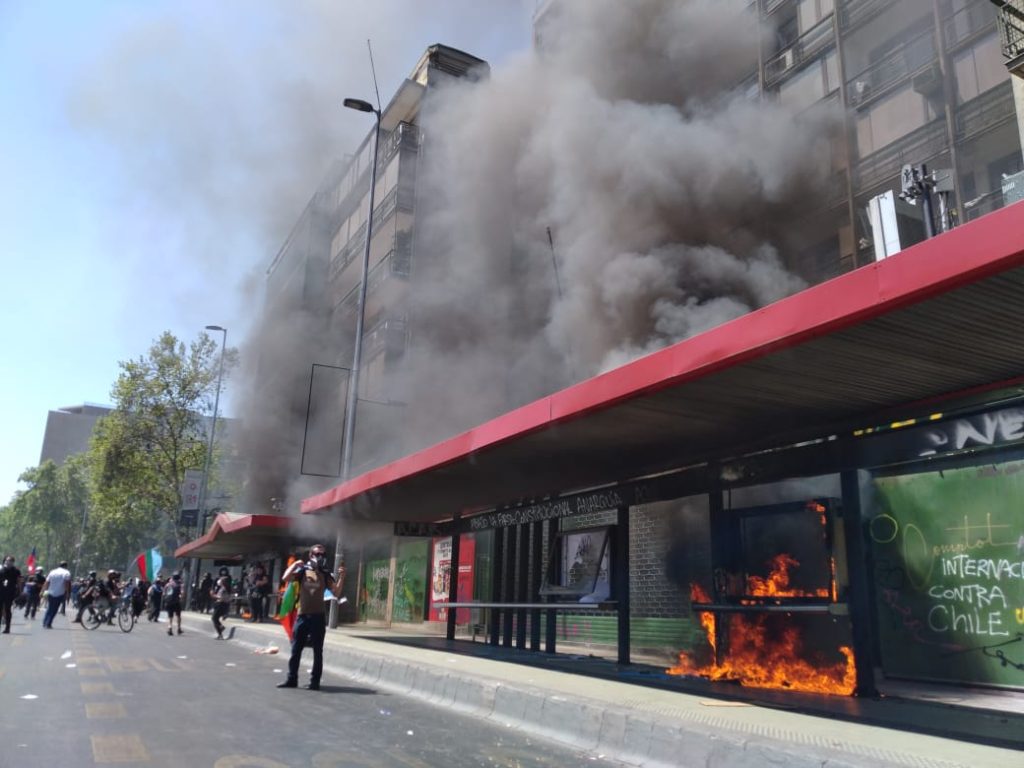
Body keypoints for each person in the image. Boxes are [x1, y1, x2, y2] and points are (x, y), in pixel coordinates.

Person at [276, 544, 345, 691]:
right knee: (296, 649)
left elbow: (336, 592)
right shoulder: (302, 571)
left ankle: (315, 682)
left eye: (323, 555)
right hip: (302, 615)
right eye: (317, 554)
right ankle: (291, 679)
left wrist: (342, 577)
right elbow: (285, 577)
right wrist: (295, 564)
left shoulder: (325, 573)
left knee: (317, 651)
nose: (320, 557)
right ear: (311, 555)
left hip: (318, 616)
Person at [41, 560, 72, 629]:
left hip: (50, 592)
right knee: (54, 609)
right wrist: (67, 593)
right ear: (66, 566)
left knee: (49, 608)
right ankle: (48, 623)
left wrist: (43, 591)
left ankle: (45, 622)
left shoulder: (52, 571)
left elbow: (47, 582)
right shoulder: (67, 573)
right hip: (60, 593)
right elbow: (66, 584)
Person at [0, 555, 23, 634]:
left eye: (10, 561)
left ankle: (7, 628)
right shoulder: (1, 570)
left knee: (7, 610)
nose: (8, 562)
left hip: (10, 593)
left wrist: (20, 592)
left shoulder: (16, 571)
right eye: (7, 560)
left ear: (13, 562)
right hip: (1, 592)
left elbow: (19, 582)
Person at [210, 575, 232, 639]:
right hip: (222, 604)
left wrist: (213, 595)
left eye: (221, 580)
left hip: (220, 604)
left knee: (214, 618)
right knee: (215, 618)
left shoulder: (224, 589)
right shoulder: (225, 588)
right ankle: (220, 631)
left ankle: (220, 631)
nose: (219, 581)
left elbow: (221, 597)